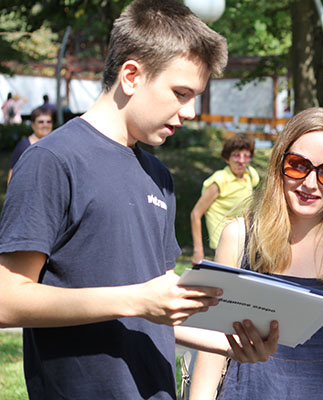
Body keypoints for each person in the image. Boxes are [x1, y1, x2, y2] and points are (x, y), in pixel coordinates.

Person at [0, 1, 277, 399]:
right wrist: (136, 300)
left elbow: (158, 309)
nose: (191, 112)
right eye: (181, 93)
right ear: (131, 75)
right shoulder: (51, 160)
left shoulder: (159, 176)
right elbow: (7, 299)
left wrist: (230, 343)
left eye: (196, 96)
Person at [189, 107, 323, 400]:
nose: (310, 183)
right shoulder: (239, 236)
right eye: (298, 165)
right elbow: (213, 347)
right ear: (279, 163)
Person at [190, 134, 259, 263]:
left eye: (246, 156)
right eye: (236, 155)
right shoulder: (219, 180)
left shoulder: (250, 175)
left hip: (243, 242)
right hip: (222, 244)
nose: (241, 161)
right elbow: (195, 214)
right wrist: (198, 251)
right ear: (227, 158)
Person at [7, 106, 53, 184]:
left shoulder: (56, 144)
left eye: (48, 122)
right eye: (41, 122)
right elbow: (12, 174)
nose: (45, 125)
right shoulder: (24, 146)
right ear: (33, 124)